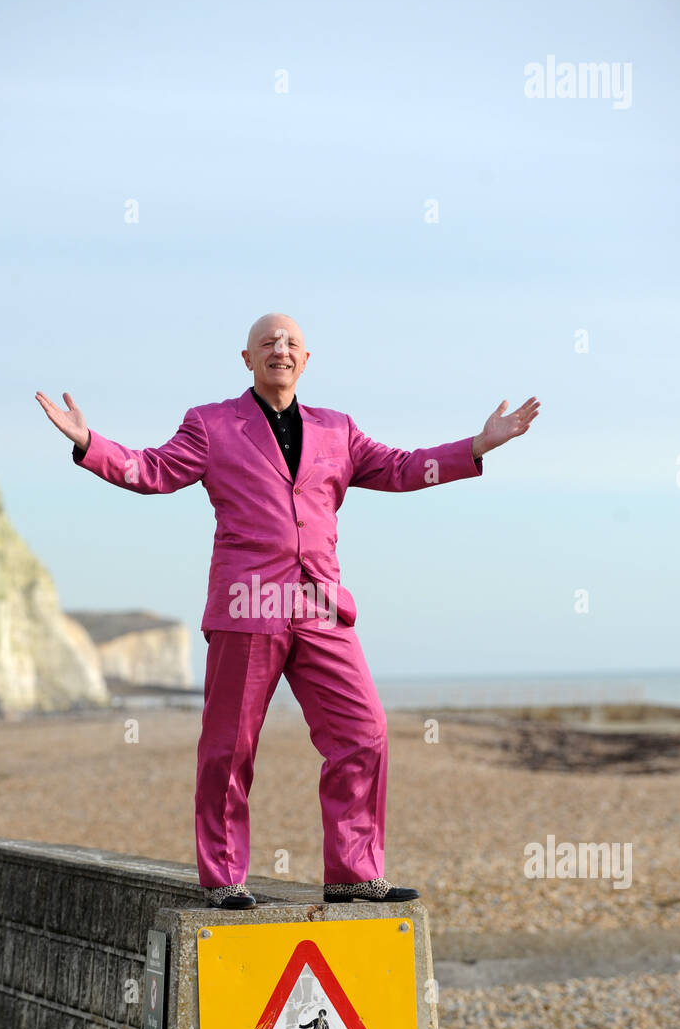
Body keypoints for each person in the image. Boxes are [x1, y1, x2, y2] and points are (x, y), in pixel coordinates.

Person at [36, 313, 539, 910]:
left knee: (365, 733)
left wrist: (478, 445)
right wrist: (90, 444)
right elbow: (152, 470)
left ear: (307, 359)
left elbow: (404, 468)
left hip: (321, 606)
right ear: (247, 360)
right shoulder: (212, 423)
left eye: (292, 342)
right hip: (247, 606)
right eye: (268, 342)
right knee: (229, 747)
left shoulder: (338, 429)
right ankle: (224, 878)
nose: (281, 348)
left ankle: (353, 873)